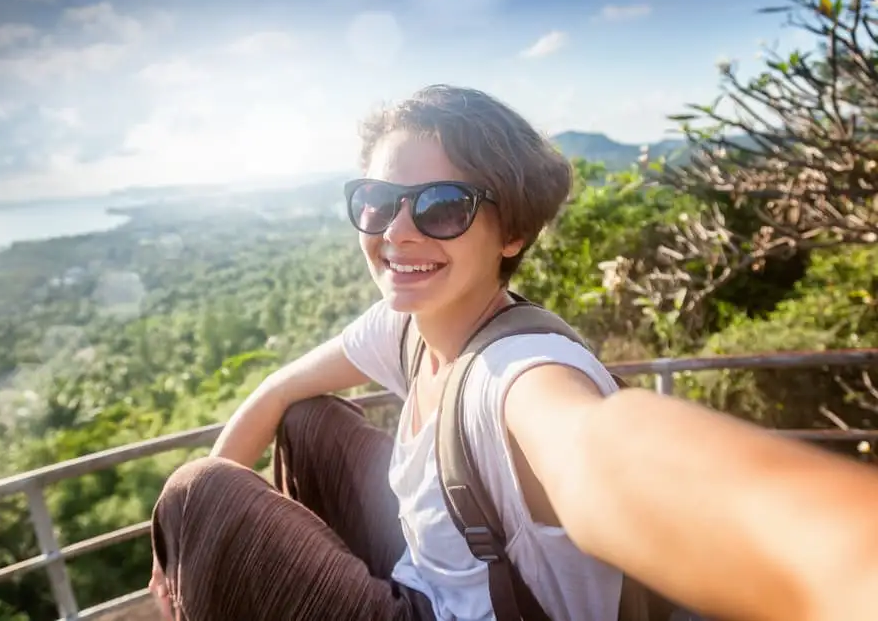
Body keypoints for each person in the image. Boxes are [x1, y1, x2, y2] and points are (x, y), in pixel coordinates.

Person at [147, 85, 878, 621]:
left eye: (440, 205)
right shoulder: (408, 322)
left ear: (512, 233)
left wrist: (836, 559)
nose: (397, 231)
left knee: (196, 493)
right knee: (304, 419)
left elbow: (600, 453)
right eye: (376, 199)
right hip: (427, 578)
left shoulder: (519, 373)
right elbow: (277, 391)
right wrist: (174, 563)